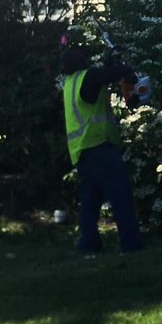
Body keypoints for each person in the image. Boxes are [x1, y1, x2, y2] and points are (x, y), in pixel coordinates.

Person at [61, 42, 143, 254]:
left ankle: (88, 245)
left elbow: (100, 76)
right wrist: (125, 68)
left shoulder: (70, 83)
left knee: (90, 202)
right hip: (101, 147)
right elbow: (104, 76)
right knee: (120, 196)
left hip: (81, 152)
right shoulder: (87, 77)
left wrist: (109, 59)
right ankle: (131, 244)